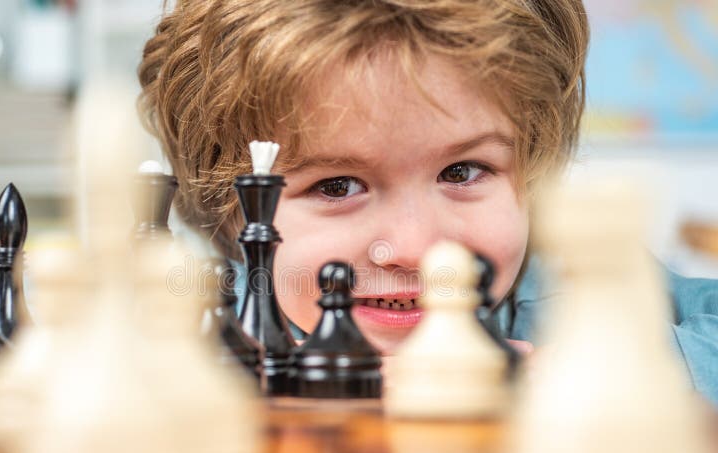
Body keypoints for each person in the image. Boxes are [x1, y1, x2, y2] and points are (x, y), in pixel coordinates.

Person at [137, 0, 718, 403]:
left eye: (463, 171)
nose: (414, 247)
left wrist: (605, 372)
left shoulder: (577, 283)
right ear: (239, 208)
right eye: (337, 186)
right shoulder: (189, 321)